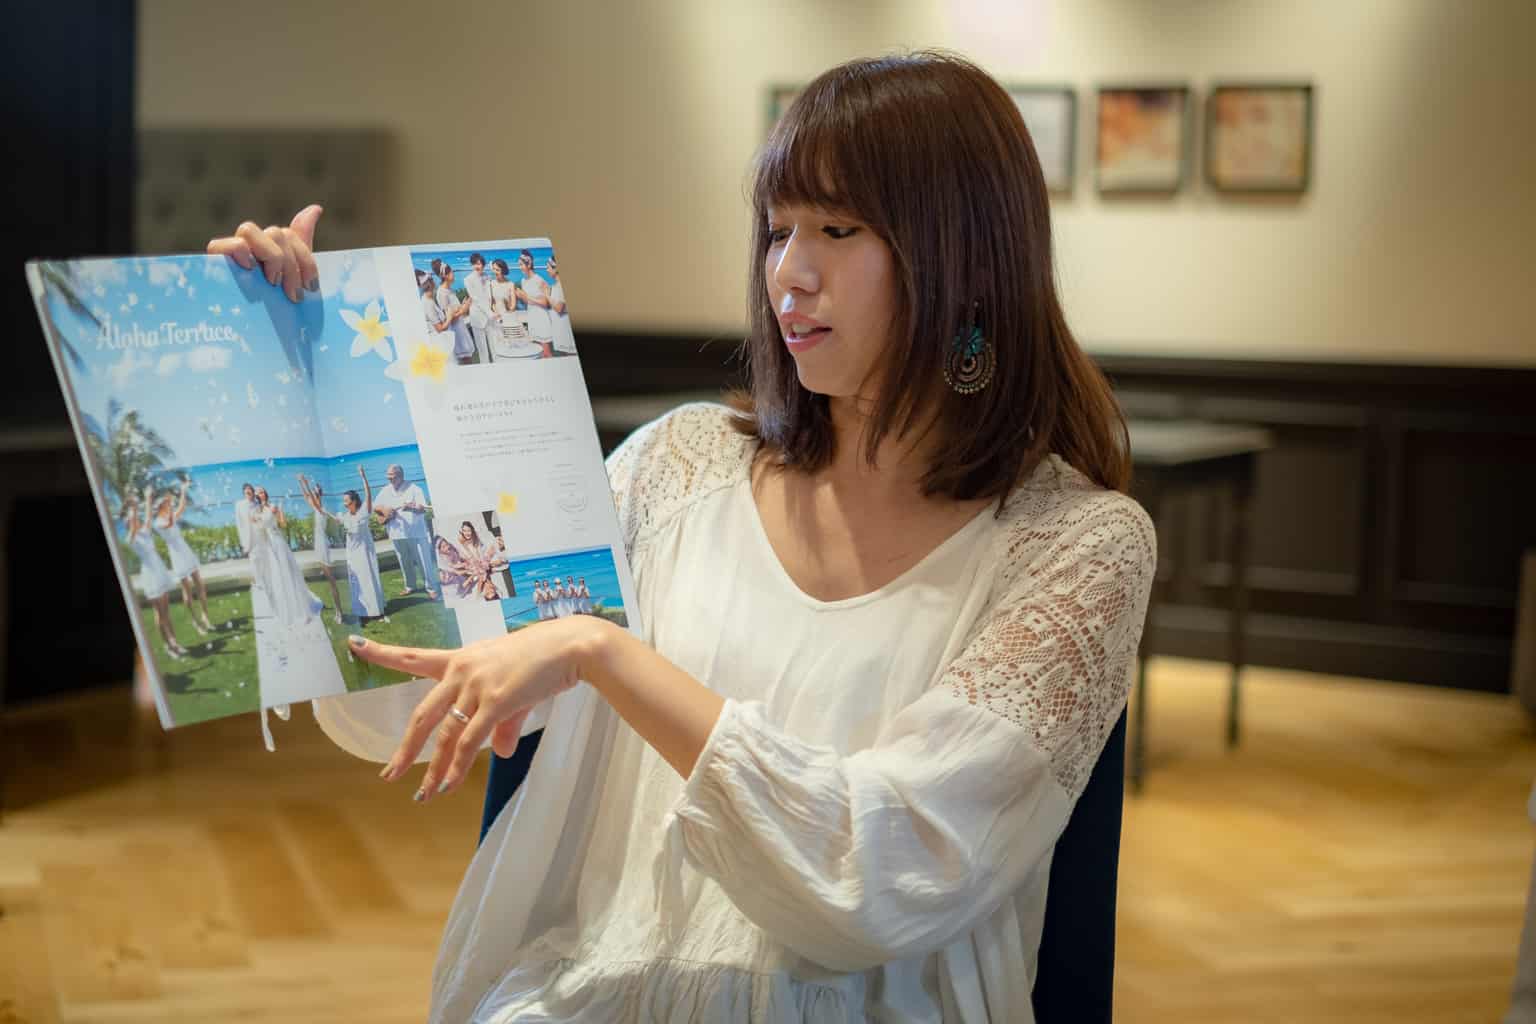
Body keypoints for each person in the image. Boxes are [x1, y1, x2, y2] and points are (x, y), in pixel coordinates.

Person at [209, 51, 1155, 1024]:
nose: (788, 272)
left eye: (837, 229)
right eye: (777, 229)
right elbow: (411, 696)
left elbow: (878, 876)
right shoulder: (675, 467)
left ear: (967, 258)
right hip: (594, 994)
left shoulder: (1077, 544)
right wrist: (298, 388)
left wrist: (602, 652)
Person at [309, 467, 389, 626]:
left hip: (365, 552)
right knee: (357, 583)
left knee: (369, 580)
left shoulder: (364, 512)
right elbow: (324, 512)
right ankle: (362, 612)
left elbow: (368, 494)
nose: (344, 502)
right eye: (344, 500)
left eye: (346, 500)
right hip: (352, 554)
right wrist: (318, 501)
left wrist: (363, 476)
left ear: (354, 501)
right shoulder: (345, 517)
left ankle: (377, 611)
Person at [247, 485, 322, 633]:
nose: (260, 494)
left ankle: (301, 609)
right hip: (268, 545)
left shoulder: (272, 507)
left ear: (265, 493)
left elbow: (283, 524)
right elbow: (253, 522)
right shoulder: (257, 511)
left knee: (288, 571)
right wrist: (257, 520)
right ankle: (284, 609)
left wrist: (279, 514)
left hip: (277, 540)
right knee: (277, 575)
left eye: (262, 491)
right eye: (258, 493)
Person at [123, 491, 189, 658]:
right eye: (132, 521)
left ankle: (175, 643)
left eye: (135, 520)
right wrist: (133, 507)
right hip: (150, 576)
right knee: (159, 613)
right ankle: (169, 646)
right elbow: (134, 521)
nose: (136, 521)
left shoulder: (145, 531)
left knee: (166, 612)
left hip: (160, 572)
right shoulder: (131, 538)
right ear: (129, 524)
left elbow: (147, 516)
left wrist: (147, 498)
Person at [151, 479, 217, 634]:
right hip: (176, 555)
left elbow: (181, 506)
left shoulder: (169, 515)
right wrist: (170, 505)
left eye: (167, 504)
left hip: (185, 550)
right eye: (165, 504)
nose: (168, 505)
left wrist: (183, 490)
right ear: (160, 507)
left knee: (199, 583)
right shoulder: (158, 523)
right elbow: (169, 523)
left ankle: (205, 617)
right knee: (187, 590)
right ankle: (195, 620)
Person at [373, 463, 438, 599]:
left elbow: (422, 509)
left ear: (400, 476)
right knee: (404, 561)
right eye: (388, 476)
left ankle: (431, 588)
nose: (389, 479)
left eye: (392, 476)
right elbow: (375, 506)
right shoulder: (385, 490)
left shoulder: (415, 489)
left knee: (423, 561)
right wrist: (384, 510)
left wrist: (412, 508)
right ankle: (410, 586)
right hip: (396, 533)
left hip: (416, 532)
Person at [297, 474, 345, 625]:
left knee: (331, 581)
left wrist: (306, 483)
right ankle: (338, 610)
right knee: (329, 579)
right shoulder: (318, 508)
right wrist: (301, 483)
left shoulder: (320, 509)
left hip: (322, 545)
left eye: (316, 493)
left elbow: (311, 498)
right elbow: (306, 496)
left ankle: (339, 612)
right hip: (318, 545)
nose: (313, 496)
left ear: (319, 495)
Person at [433, 258, 478, 365]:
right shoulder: (442, 293)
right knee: (465, 361)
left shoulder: (449, 290)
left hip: (461, 327)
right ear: (445, 275)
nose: (453, 274)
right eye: (451, 272)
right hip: (456, 331)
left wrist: (462, 305)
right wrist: (464, 309)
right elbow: (449, 318)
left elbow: (454, 309)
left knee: (468, 359)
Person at [515, 249, 555, 358]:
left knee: (546, 352)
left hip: (541, 318)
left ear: (529, 264)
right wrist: (521, 297)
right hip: (531, 317)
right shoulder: (523, 281)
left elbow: (546, 303)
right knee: (537, 352)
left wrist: (526, 296)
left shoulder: (539, 280)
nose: (520, 267)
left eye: (521, 265)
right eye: (519, 265)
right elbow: (528, 302)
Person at [462, 252, 495, 364]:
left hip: (490, 318)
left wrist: (493, 310)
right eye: (475, 264)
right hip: (477, 317)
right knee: (482, 351)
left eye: (479, 264)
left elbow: (490, 296)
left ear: (483, 265)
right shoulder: (468, 279)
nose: (477, 266)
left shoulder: (487, 276)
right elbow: (476, 299)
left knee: (494, 347)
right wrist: (490, 313)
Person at [547, 255, 577, 356]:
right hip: (560, 329)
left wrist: (546, 295)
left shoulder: (560, 286)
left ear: (556, 268)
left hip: (565, 330)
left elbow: (559, 308)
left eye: (548, 267)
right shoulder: (555, 286)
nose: (547, 270)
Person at [234, 481, 257, 558]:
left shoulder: (257, 504)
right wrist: (243, 540)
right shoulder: (239, 504)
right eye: (246, 489)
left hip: (259, 533)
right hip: (248, 535)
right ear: (244, 493)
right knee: (254, 558)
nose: (247, 491)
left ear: (253, 492)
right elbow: (239, 523)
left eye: (249, 489)